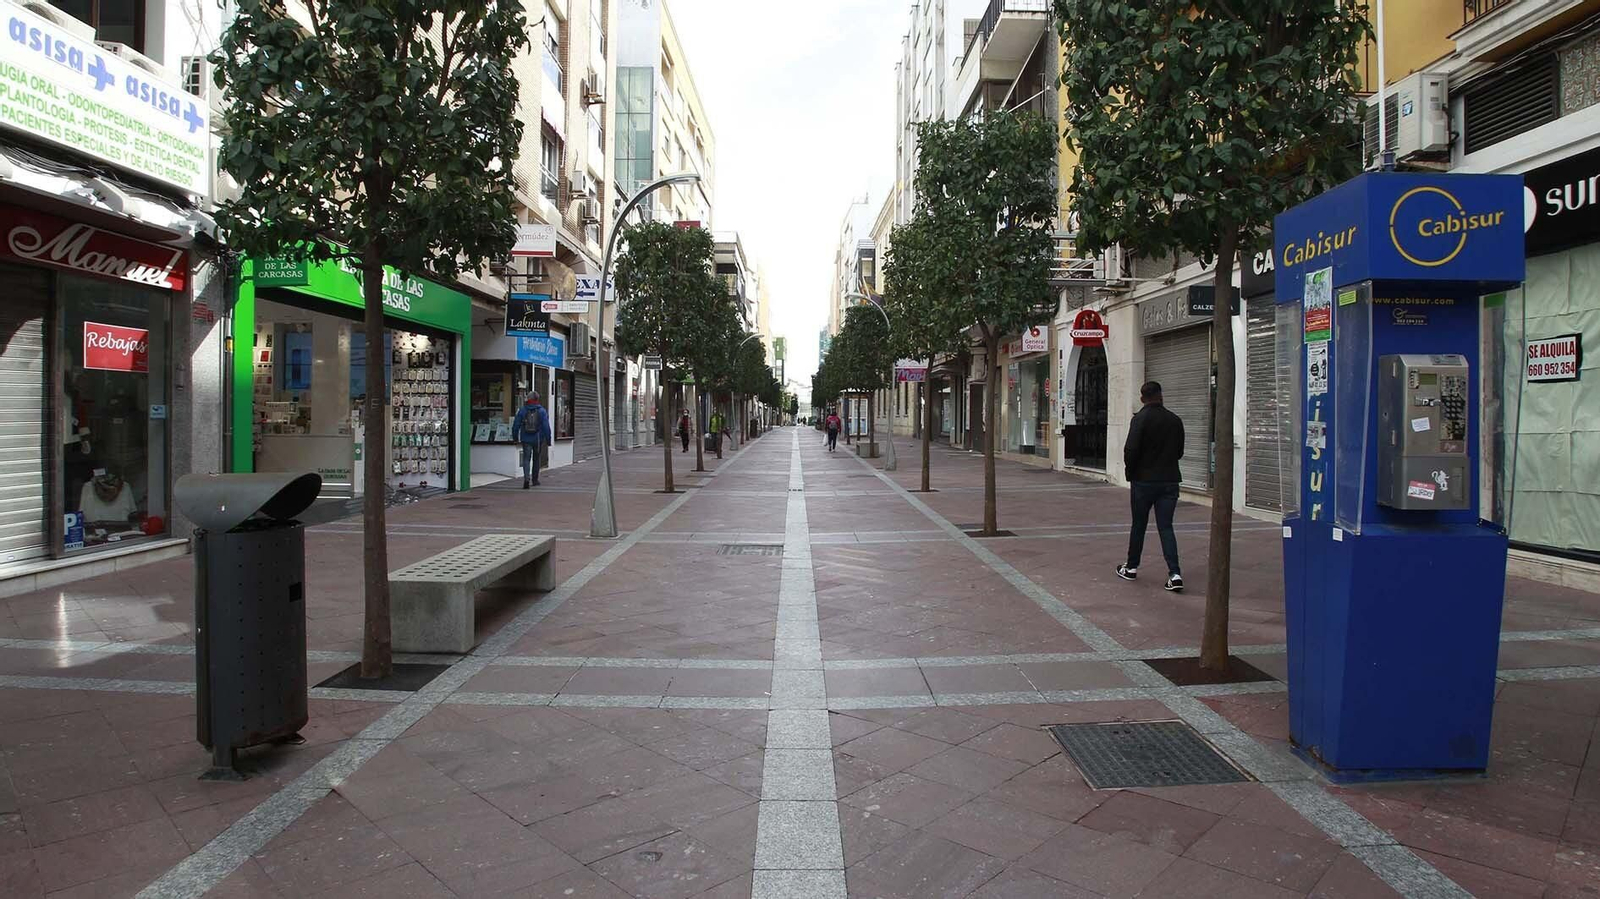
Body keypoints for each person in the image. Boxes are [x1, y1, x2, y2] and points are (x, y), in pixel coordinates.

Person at [1117, 381, 1185, 592]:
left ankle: (1131, 567)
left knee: (1139, 524)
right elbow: (1179, 452)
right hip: (1169, 480)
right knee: (1166, 526)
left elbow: (1130, 449)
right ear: (1161, 396)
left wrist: (1131, 473)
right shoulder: (1175, 420)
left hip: (1144, 481)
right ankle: (1175, 573)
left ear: (1142, 398)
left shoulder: (1140, 419)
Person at [511, 393, 552, 488]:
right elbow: (546, 426)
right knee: (536, 459)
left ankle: (526, 479)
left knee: (526, 458)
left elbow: (516, 425)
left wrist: (515, 437)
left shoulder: (522, 410)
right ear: (537, 399)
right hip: (538, 438)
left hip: (526, 438)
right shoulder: (542, 411)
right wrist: (548, 439)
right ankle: (535, 479)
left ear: (528, 399)